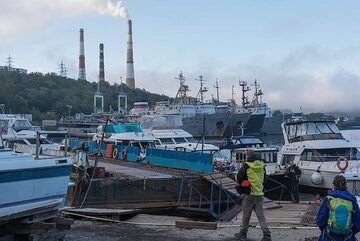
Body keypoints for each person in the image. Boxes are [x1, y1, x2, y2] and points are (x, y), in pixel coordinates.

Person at [235, 149, 271, 241]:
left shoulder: (246, 166)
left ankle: (243, 233)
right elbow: (264, 180)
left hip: (249, 193)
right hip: (259, 194)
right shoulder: (262, 166)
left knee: (246, 215)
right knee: (261, 216)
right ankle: (267, 235)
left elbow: (238, 178)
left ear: (247, 156)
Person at [316, 175, 360, 241]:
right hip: (347, 237)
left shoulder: (328, 199)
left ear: (333, 185)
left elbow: (320, 220)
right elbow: (358, 223)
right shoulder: (352, 201)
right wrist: (349, 231)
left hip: (329, 236)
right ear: (345, 186)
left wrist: (325, 230)